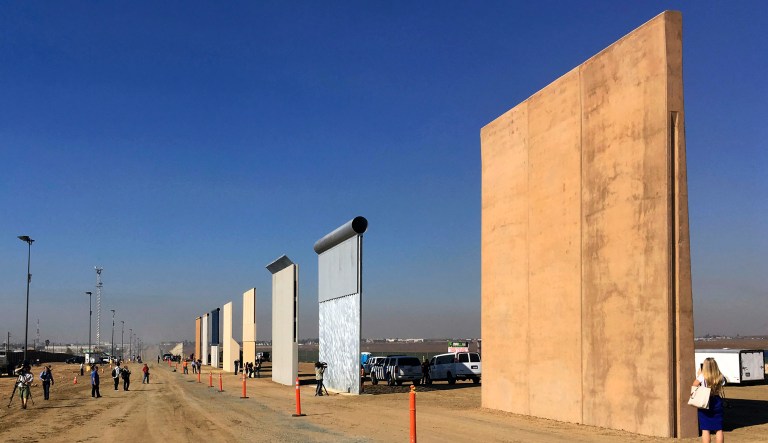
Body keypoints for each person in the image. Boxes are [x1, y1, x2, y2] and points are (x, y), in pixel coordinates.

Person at [693, 357, 726, 443]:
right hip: (716, 401)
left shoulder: (702, 376)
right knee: (718, 429)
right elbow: (723, 384)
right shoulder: (720, 376)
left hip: (705, 401)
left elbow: (694, 385)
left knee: (705, 429)